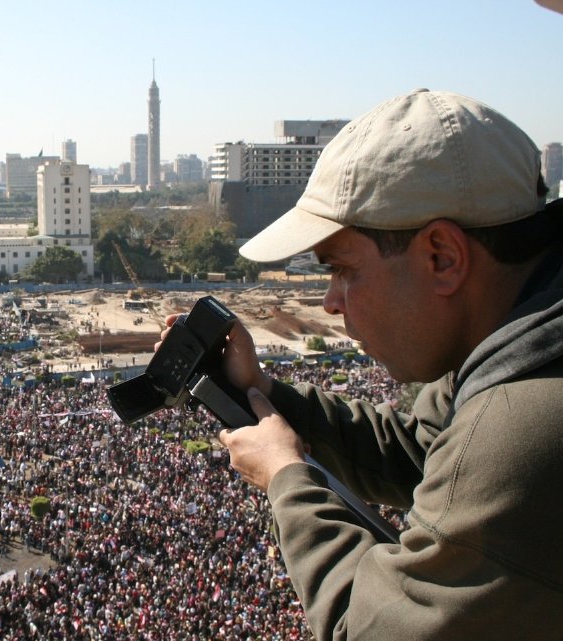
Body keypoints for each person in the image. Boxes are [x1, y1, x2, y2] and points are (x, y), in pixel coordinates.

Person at [189, 89, 563, 639]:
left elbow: (364, 629)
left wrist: (286, 480)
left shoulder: (523, 425)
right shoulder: (512, 337)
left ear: (442, 257)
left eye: (342, 270)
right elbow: (420, 450)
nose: (330, 302)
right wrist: (262, 390)